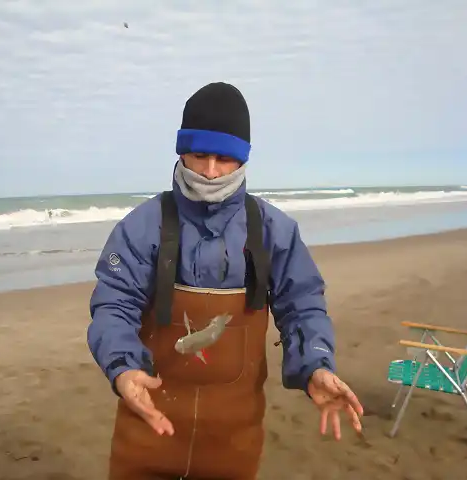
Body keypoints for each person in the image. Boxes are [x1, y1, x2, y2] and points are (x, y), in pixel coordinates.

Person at [87, 82, 364, 480]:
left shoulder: (275, 231)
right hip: (146, 432)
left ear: (243, 160)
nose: (211, 172)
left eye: (225, 158)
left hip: (234, 445)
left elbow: (302, 304)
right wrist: (122, 367)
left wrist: (316, 365)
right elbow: (113, 305)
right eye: (200, 156)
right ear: (182, 151)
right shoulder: (139, 228)